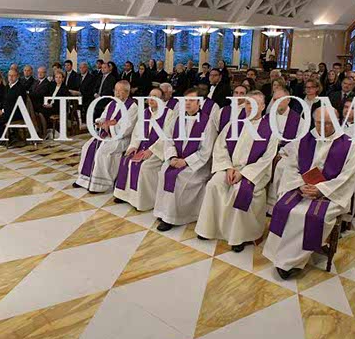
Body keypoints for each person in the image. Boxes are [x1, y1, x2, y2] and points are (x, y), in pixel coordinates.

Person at [263, 106, 355, 279]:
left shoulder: (351, 146)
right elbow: (291, 167)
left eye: (328, 123)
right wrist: (300, 185)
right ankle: (278, 254)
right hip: (302, 188)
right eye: (318, 122)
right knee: (284, 208)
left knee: (311, 216)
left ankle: (291, 262)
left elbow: (348, 177)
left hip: (330, 195)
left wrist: (321, 189)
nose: (322, 127)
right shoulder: (303, 140)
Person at [195, 91, 279, 252]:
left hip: (253, 174)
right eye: (248, 103)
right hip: (229, 168)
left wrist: (243, 173)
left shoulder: (270, 130)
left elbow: (267, 159)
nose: (251, 107)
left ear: (263, 106)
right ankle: (209, 228)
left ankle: (239, 236)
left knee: (239, 191)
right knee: (214, 184)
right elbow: (220, 147)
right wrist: (228, 167)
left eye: (255, 104)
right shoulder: (233, 125)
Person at [154, 88, 217, 231]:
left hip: (197, 165)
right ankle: (164, 211)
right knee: (164, 171)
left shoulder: (207, 123)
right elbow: (168, 140)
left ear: (199, 103)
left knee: (180, 177)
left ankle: (173, 216)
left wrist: (186, 161)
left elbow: (206, 150)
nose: (187, 103)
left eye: (192, 100)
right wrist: (172, 157)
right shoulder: (178, 119)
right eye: (186, 100)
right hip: (177, 159)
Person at [74, 81, 137, 193]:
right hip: (106, 135)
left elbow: (126, 128)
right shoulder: (112, 103)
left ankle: (100, 185)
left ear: (127, 92)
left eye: (120, 91)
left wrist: (110, 126)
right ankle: (84, 180)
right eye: (116, 90)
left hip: (121, 139)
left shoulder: (132, 107)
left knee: (101, 152)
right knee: (86, 147)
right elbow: (103, 117)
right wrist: (101, 122)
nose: (117, 93)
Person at [113, 87, 168, 211]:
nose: (151, 99)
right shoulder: (145, 112)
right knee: (127, 160)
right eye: (150, 96)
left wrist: (151, 150)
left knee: (144, 167)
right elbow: (137, 132)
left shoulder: (169, 114)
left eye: (155, 97)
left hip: (157, 150)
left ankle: (143, 201)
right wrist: (133, 146)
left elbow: (167, 136)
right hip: (142, 146)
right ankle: (124, 195)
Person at [265, 86, 304, 212]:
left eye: (280, 99)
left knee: (282, 166)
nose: (276, 102)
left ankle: (275, 205)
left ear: (288, 100)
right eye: (274, 99)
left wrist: (282, 152)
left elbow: (299, 143)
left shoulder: (299, 121)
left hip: (286, 154)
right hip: (267, 152)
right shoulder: (267, 118)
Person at [0, 68, 25, 145]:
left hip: (15, 112)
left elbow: (17, 104)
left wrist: (3, 111)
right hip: (6, 111)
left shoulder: (20, 88)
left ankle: (7, 139)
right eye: (9, 75)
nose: (11, 77)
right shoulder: (8, 86)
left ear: (17, 76)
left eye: (13, 75)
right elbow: (3, 99)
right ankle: (7, 136)